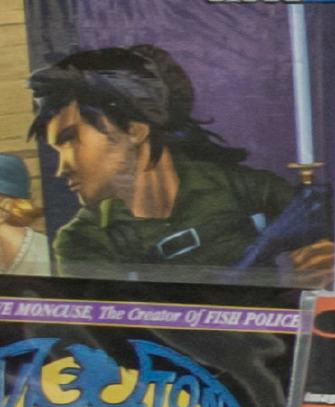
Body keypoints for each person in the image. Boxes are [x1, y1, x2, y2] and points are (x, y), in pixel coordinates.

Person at [30, 48, 312, 280]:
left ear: (133, 130)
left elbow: (319, 220)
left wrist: (322, 254)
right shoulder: (83, 241)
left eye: (70, 140)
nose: (61, 168)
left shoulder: (238, 187)